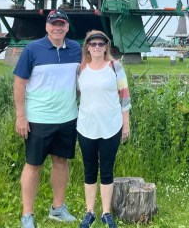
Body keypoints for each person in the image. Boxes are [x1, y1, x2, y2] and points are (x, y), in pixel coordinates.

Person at [13, 9, 82, 228]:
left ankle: (58, 208)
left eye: (62, 24)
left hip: (68, 117)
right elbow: (19, 83)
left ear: (67, 28)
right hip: (39, 119)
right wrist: (20, 116)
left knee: (61, 162)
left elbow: (80, 79)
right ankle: (27, 214)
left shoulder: (76, 49)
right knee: (33, 165)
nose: (58, 28)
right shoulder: (33, 49)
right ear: (47, 27)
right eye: (54, 24)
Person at [75, 30, 131, 228]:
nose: (97, 47)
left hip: (111, 125)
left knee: (107, 169)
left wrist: (126, 123)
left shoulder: (115, 67)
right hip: (86, 126)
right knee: (89, 169)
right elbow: (76, 95)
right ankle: (89, 212)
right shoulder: (80, 69)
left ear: (106, 46)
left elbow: (124, 96)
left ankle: (106, 213)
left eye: (101, 44)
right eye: (93, 44)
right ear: (87, 47)